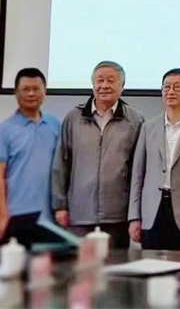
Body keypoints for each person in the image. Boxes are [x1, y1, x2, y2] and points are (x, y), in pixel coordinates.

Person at [52, 60, 145, 248]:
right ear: (93, 84)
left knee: (116, 264)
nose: (104, 85)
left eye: (111, 80)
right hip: (79, 214)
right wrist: (60, 206)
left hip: (118, 215)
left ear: (122, 86)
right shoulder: (73, 118)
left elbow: (139, 171)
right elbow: (61, 164)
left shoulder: (135, 120)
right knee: (81, 264)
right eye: (100, 80)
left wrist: (135, 214)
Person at [128, 68, 180, 250]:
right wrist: (134, 217)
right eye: (166, 87)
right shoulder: (148, 127)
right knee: (151, 264)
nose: (170, 91)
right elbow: (137, 175)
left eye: (177, 87)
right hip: (152, 211)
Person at [0, 68, 60, 244]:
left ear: (45, 92)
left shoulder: (55, 125)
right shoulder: (3, 130)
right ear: (15, 93)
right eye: (25, 89)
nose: (31, 94)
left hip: (50, 218)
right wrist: (2, 215)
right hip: (16, 216)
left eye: (36, 89)